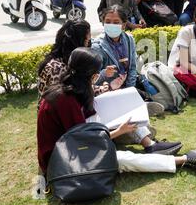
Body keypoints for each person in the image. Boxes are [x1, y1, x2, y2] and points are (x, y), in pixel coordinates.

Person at [37, 48, 196, 177]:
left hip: (70, 144)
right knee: (123, 159)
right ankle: (183, 160)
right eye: (96, 73)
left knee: (116, 105)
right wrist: (117, 132)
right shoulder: (64, 99)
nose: (98, 76)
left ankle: (148, 141)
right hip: (61, 160)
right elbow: (83, 140)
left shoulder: (69, 88)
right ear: (89, 75)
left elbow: (82, 125)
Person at [38, 19, 181, 155]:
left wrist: (106, 87)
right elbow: (66, 100)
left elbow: (78, 91)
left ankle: (145, 134)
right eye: (87, 41)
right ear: (76, 41)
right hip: (69, 121)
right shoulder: (56, 67)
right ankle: (140, 129)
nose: (89, 44)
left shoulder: (71, 61)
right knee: (120, 107)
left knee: (120, 97)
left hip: (79, 111)